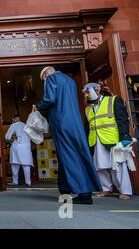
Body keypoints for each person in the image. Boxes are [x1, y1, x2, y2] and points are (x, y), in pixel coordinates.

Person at [33, 66, 101, 204]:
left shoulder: (52, 78)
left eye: (43, 78)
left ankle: (84, 194)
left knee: (68, 155)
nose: (44, 80)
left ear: (46, 73)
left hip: (61, 122)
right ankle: (64, 188)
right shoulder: (70, 81)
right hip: (74, 122)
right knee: (74, 154)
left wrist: (37, 107)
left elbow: (50, 99)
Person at [83, 82, 133, 200]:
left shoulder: (113, 100)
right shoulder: (87, 109)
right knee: (99, 166)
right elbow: (87, 127)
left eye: (87, 92)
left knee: (118, 165)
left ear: (97, 90)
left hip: (113, 139)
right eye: (85, 93)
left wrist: (125, 136)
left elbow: (122, 119)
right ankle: (106, 189)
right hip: (95, 140)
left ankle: (125, 191)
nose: (86, 95)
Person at [5, 115, 33, 187]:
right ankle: (28, 182)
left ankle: (15, 181)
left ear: (13, 119)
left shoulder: (13, 125)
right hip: (26, 147)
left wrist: (12, 137)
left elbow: (7, 137)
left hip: (17, 146)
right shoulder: (26, 125)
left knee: (15, 164)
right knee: (26, 164)